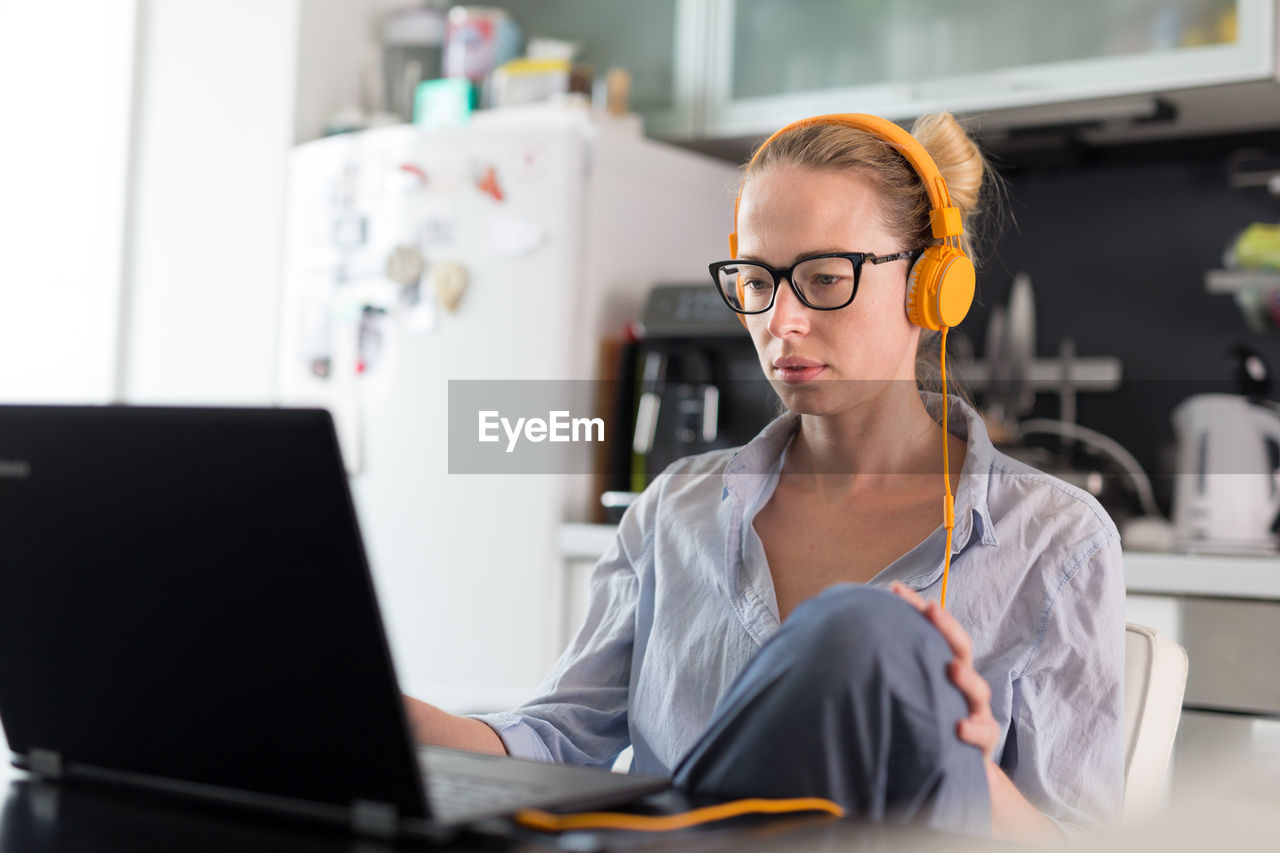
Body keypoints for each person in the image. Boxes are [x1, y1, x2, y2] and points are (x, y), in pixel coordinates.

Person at [404, 112, 1125, 843]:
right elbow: (556, 740)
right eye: (756, 280)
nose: (782, 320)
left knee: (872, 634)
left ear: (931, 285)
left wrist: (964, 762)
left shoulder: (1055, 541)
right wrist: (394, 718)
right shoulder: (672, 513)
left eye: (822, 278)